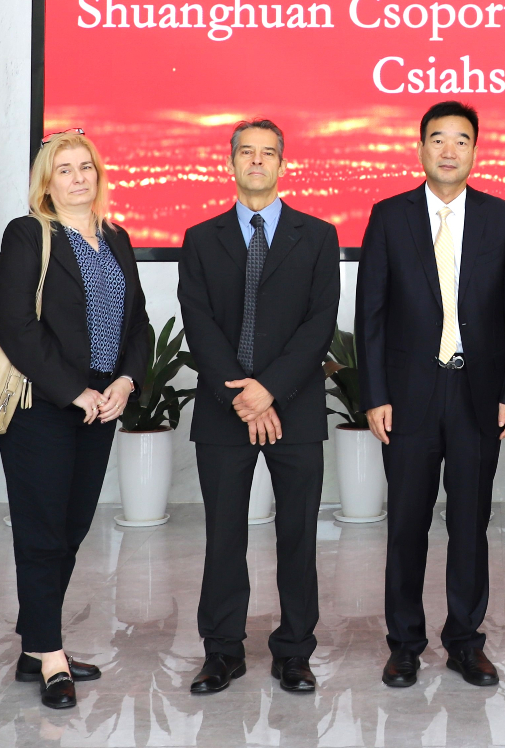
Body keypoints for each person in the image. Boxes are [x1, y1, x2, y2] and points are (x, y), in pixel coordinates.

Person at [357, 101, 505, 688]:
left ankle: (464, 641)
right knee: (406, 524)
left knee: (470, 523)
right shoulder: (390, 217)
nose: (449, 150)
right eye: (438, 139)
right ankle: (405, 643)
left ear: (475, 150)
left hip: (478, 395)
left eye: (461, 140)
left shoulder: (501, 217)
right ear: (421, 148)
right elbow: (370, 314)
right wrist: (375, 394)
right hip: (408, 397)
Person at [177, 119, 340, 695]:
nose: (256, 161)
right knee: (224, 536)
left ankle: (294, 651)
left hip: (295, 407)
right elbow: (199, 322)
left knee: (298, 534)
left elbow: (319, 324)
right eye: (246, 152)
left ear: (281, 164)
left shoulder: (317, 236)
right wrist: (242, 396)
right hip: (224, 411)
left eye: (267, 153)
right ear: (231, 162)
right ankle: (222, 651)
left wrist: (269, 390)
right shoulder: (201, 238)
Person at [0, 130, 150, 709]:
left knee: (71, 529)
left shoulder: (116, 238)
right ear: (46, 182)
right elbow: (16, 327)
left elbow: (138, 324)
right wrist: (73, 391)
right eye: (65, 169)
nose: (79, 177)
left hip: (102, 407)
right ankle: (51, 656)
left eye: (86, 167)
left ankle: (35, 646)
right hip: (43, 408)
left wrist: (125, 382)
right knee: (41, 532)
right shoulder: (28, 233)